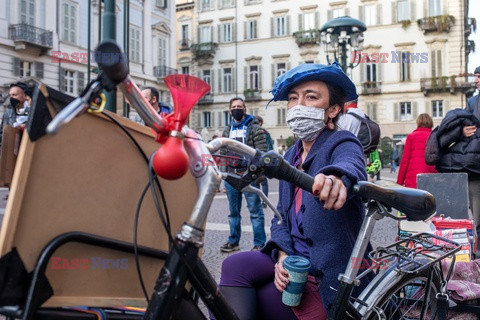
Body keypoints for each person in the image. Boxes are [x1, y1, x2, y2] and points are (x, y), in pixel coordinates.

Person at [218, 63, 369, 319]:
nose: (299, 105)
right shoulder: (291, 154)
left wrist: (336, 179)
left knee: (261, 302)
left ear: (332, 110)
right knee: (234, 265)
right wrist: (282, 255)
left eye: (311, 96)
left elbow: (350, 163)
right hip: (293, 259)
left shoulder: (342, 141)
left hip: (324, 269)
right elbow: (280, 217)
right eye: (292, 98)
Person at [220, 97, 267, 252]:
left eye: (239, 106)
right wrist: (223, 177)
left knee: (255, 212)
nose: (236, 109)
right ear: (230, 110)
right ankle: (233, 242)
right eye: (234, 106)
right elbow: (223, 153)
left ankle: (259, 244)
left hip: (249, 176)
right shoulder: (227, 130)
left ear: (245, 109)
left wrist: (258, 173)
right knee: (233, 213)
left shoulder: (254, 128)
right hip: (231, 176)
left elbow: (262, 152)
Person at [396, 113, 437, 188]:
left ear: (418, 123)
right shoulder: (435, 136)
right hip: (432, 177)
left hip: (414, 178)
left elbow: (405, 161)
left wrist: (399, 182)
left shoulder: (411, 137)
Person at [0, 82, 30, 148]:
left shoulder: (32, 112)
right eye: (10, 95)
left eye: (14, 95)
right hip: (12, 152)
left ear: (25, 96)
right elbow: (2, 135)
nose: (11, 98)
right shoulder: (7, 114)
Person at [255, 115, 274, 208]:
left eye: (257, 122)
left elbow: (270, 147)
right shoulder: (252, 132)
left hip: (263, 159)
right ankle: (257, 201)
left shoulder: (266, 133)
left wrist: (268, 160)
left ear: (260, 123)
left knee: (263, 181)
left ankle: (265, 201)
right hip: (254, 159)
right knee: (255, 181)